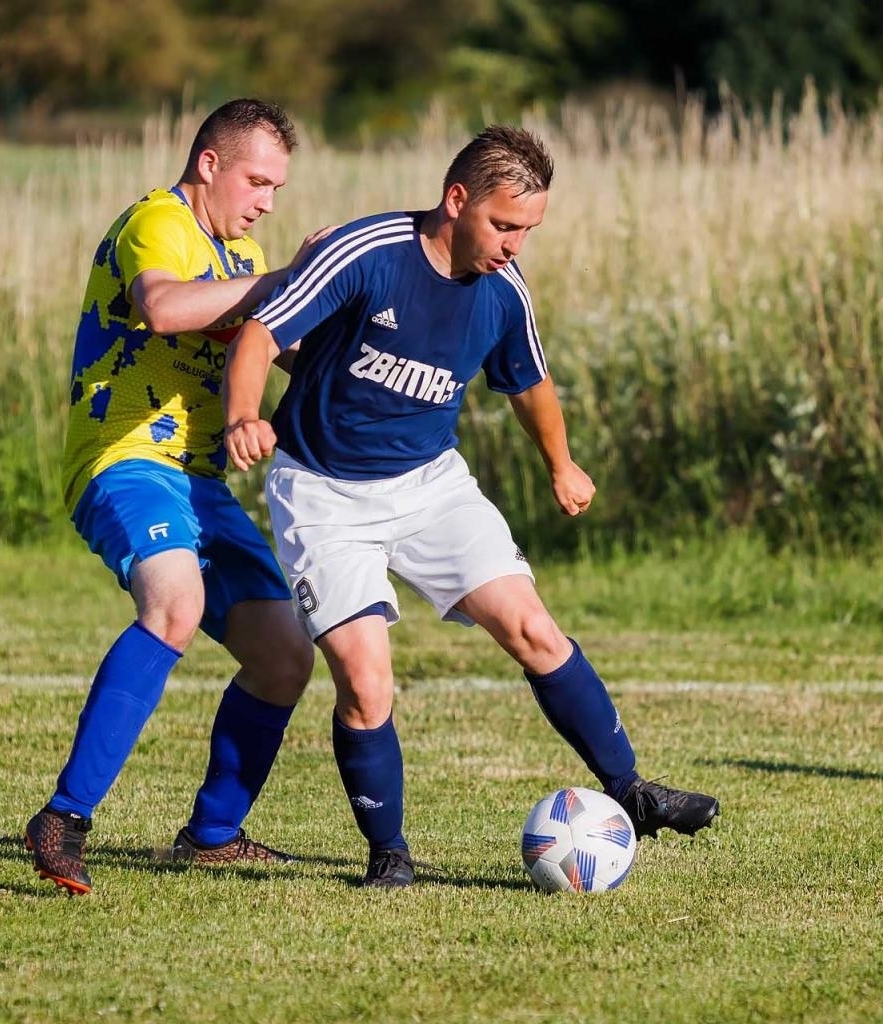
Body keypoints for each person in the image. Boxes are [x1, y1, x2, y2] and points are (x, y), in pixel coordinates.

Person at [221, 125, 720, 889]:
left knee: (533, 627)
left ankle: (633, 792)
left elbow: (529, 383)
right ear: (457, 200)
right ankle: (389, 856)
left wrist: (562, 464)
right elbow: (261, 329)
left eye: (529, 230)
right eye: (505, 225)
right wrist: (244, 414)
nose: (516, 244)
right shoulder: (367, 252)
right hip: (323, 491)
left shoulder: (502, 292)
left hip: (430, 486)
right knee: (364, 679)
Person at [25, 98, 323, 895]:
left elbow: (287, 352)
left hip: (199, 481)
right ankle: (64, 816)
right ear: (210, 165)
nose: (265, 201)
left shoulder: (243, 255)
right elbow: (163, 307)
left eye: (277, 189)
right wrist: (284, 277)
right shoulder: (157, 222)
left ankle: (213, 834)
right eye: (257, 181)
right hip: (123, 458)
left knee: (286, 655)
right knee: (175, 604)